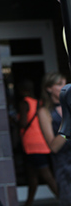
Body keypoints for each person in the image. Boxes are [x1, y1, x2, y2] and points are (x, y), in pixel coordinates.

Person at [16, 79, 58, 205]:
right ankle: (28, 202)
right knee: (32, 177)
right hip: (42, 142)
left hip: (32, 145)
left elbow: (23, 123)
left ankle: (65, 199)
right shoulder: (39, 103)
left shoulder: (24, 103)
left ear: (23, 91)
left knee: (46, 176)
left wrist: (13, 121)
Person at [38, 72, 71, 205]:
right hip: (65, 165)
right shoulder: (45, 112)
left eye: (65, 84)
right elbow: (54, 147)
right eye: (59, 84)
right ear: (49, 88)